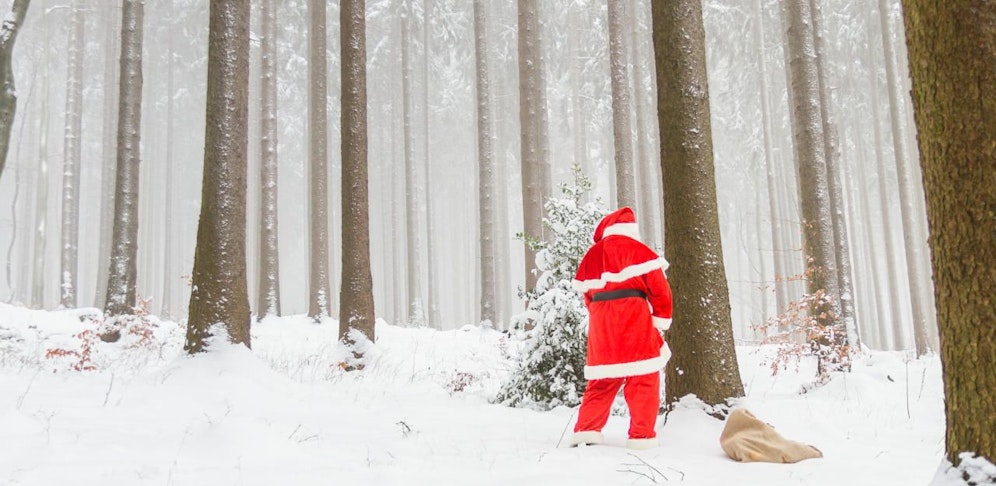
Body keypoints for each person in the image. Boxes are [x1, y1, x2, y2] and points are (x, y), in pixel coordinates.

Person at [569, 207, 673, 450]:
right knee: (643, 378)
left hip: (602, 325)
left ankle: (586, 430)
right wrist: (660, 318)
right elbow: (660, 291)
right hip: (635, 318)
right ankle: (641, 436)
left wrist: (601, 314)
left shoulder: (593, 255)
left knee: (601, 381)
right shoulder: (640, 252)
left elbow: (588, 296)